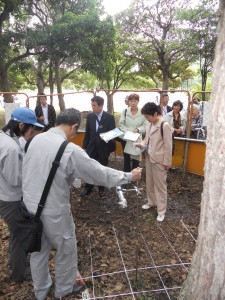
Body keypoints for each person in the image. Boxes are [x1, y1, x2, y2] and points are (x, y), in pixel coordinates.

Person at [22, 108, 142, 300]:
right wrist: (128, 176)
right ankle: (64, 288)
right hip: (54, 210)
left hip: (29, 207)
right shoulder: (69, 150)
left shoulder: (35, 139)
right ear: (74, 126)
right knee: (66, 249)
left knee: (38, 250)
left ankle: (41, 290)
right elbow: (99, 173)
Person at [0, 107, 44, 282]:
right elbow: (14, 179)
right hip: (10, 198)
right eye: (31, 128)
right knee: (21, 236)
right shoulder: (11, 147)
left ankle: (15, 265)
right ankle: (19, 273)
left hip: (4, 194)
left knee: (16, 232)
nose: (32, 132)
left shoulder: (4, 138)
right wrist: (35, 174)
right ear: (21, 125)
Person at [135, 102, 172, 222]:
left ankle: (161, 211)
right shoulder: (149, 124)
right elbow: (147, 139)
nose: (147, 119)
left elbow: (168, 146)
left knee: (160, 186)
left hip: (159, 161)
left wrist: (167, 162)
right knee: (149, 182)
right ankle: (152, 202)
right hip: (149, 158)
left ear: (155, 114)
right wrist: (142, 145)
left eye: (148, 116)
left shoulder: (164, 125)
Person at [82, 96, 116, 197]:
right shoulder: (90, 116)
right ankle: (88, 187)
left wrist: (106, 137)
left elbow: (113, 132)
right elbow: (87, 132)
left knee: (102, 167)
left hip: (103, 147)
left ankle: (102, 188)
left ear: (101, 106)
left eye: (94, 105)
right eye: (92, 105)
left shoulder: (109, 117)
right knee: (90, 167)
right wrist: (85, 146)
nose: (92, 107)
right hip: (92, 147)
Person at [118, 93, 146, 172]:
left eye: (135, 101)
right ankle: (126, 177)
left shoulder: (143, 112)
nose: (133, 103)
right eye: (131, 101)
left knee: (135, 159)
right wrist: (127, 132)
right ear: (128, 102)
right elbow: (121, 124)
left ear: (138, 101)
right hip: (126, 138)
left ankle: (135, 177)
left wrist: (138, 129)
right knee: (126, 158)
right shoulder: (125, 111)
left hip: (137, 138)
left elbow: (145, 126)